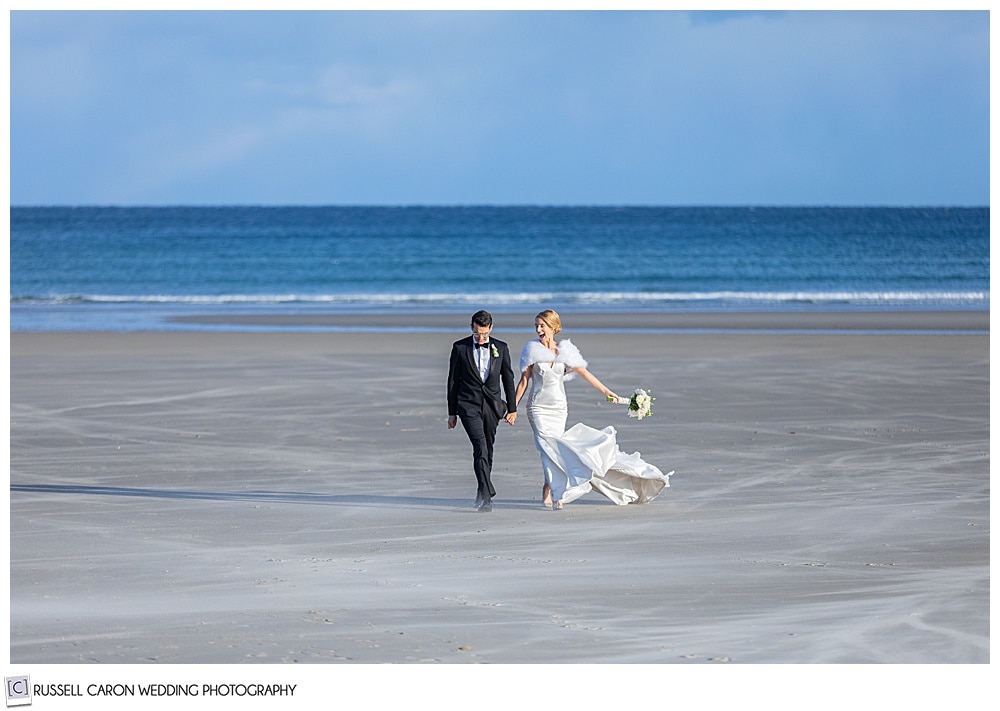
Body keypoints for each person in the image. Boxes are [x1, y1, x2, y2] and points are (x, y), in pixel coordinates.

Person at [515, 309, 672, 510]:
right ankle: (557, 493)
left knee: (557, 449)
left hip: (558, 408)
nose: (538, 329)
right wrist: (513, 408)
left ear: (553, 327)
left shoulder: (565, 351)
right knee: (546, 448)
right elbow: (523, 381)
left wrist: (608, 392)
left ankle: (549, 487)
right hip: (537, 408)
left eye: (542, 325)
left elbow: (585, 374)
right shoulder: (532, 350)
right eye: (536, 325)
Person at [447, 310, 518, 512]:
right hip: (468, 405)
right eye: (477, 334)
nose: (480, 338)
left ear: (491, 329)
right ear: (471, 328)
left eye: (484, 335)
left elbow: (508, 379)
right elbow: (452, 381)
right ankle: (487, 496)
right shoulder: (459, 348)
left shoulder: (501, 348)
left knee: (488, 448)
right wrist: (452, 412)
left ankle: (481, 488)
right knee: (479, 446)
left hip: (493, 406)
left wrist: (512, 409)